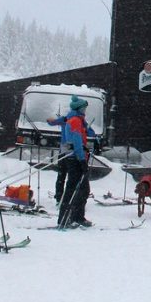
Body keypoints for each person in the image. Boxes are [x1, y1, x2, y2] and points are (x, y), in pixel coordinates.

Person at [49, 95, 95, 228]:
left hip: (77, 156)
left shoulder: (79, 120)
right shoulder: (74, 120)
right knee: (72, 188)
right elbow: (76, 141)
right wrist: (82, 160)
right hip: (75, 158)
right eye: (84, 108)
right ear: (79, 108)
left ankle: (78, 216)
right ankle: (65, 218)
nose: (85, 110)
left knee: (83, 189)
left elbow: (85, 135)